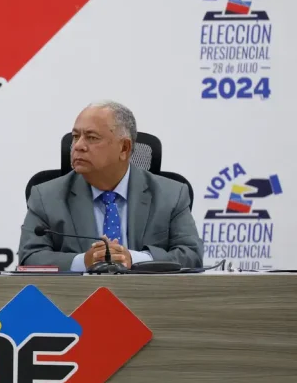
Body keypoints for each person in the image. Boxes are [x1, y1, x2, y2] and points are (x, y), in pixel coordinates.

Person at [18, 101, 203, 271]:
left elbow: (192, 255)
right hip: (76, 302)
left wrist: (135, 259)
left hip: (148, 300)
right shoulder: (46, 196)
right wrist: (83, 261)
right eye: (76, 137)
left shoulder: (172, 195)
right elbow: (29, 258)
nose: (78, 146)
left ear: (124, 148)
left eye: (91, 138)